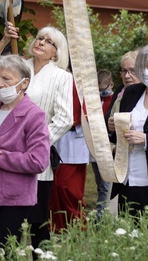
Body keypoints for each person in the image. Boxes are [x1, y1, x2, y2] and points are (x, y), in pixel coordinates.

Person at [0, 22, 73, 249]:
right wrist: (3, 39)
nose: (41, 42)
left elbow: (64, 118)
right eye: (40, 37)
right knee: (1, 228)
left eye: (49, 41)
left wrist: (34, 144)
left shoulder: (61, 77)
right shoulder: (20, 66)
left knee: (36, 223)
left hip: (32, 157)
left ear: (57, 53)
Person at [0, 55, 50, 244]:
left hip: (14, 198)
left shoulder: (34, 115)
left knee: (3, 249)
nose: (0, 84)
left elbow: (38, 160)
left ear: (24, 83)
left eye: (7, 79)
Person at [110, 43, 148, 215]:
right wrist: (114, 127)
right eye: (143, 66)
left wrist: (147, 140)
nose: (147, 71)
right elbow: (119, 135)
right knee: (127, 233)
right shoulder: (132, 92)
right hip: (128, 178)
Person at [49, 81, 89, 232]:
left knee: (68, 188)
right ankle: (56, 226)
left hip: (75, 139)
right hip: (55, 136)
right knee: (54, 187)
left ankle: (77, 226)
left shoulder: (79, 77)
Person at [90, 69, 114, 219]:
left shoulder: (114, 100)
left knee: (106, 185)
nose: (100, 92)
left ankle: (101, 217)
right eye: (98, 89)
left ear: (111, 85)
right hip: (95, 147)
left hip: (108, 145)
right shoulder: (95, 101)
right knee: (100, 183)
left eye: (103, 89)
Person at [106, 50, 140, 132]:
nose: (127, 76)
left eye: (132, 70)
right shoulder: (119, 92)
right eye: (124, 71)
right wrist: (110, 126)